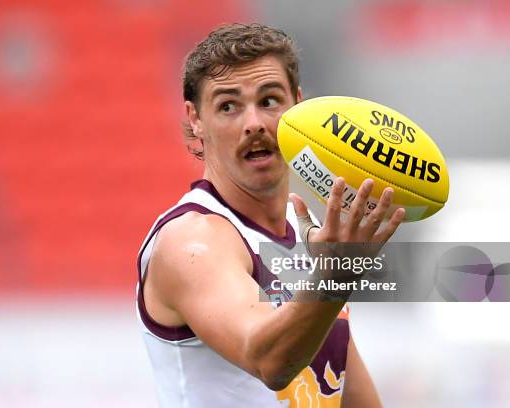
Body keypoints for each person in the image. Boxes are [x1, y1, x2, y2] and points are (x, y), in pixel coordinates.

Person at [136, 23, 404, 407]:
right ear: (195, 119)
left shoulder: (309, 233)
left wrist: (333, 275)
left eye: (269, 100)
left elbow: (347, 395)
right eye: (228, 106)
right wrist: (333, 278)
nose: (255, 124)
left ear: (298, 106)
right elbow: (269, 361)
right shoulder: (192, 242)